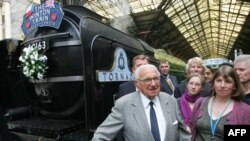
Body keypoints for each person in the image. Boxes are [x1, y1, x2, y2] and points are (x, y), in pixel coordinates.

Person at [92, 64, 191, 141]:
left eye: (156, 79)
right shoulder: (124, 104)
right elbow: (102, 135)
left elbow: (183, 132)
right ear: (137, 84)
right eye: (147, 80)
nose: (153, 84)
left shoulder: (170, 101)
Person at [190, 65, 250, 141]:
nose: (222, 85)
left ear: (234, 85)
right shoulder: (200, 103)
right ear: (213, 83)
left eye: (228, 81)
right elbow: (192, 129)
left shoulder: (245, 111)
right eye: (218, 80)